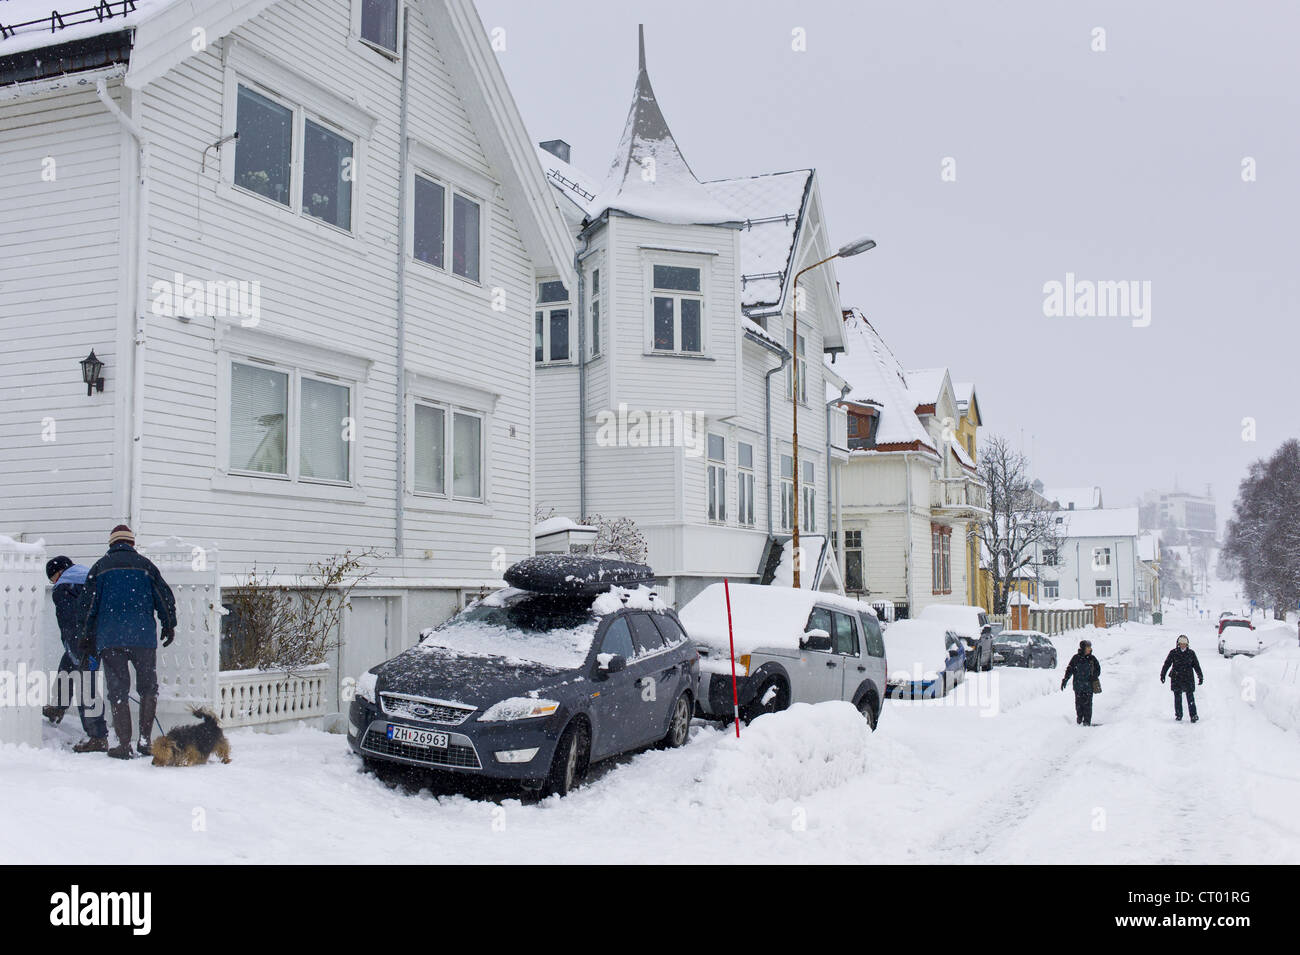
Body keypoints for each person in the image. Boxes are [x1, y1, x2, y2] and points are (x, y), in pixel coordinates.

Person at [81, 525, 177, 759]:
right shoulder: (146, 566)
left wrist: (86, 636)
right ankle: (144, 741)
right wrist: (168, 624)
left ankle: (125, 745)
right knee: (147, 688)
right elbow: (164, 597)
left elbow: (88, 608)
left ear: (111, 544)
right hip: (142, 638)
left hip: (110, 639)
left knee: (118, 691)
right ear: (132, 543)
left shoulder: (100, 568)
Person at [42, 555, 109, 752]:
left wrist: (77, 650)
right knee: (67, 665)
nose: (53, 582)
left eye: (52, 578)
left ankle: (98, 736)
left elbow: (69, 625)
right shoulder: (90, 578)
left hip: (83, 642)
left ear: (59, 573)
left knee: (85, 684)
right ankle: (59, 707)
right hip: (102, 636)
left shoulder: (63, 589)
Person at [1160, 634, 1203, 723]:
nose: (1183, 645)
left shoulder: (1191, 653)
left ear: (1187, 644)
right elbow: (1167, 664)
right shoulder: (1173, 653)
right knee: (1177, 697)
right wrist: (1163, 674)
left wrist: (1200, 676)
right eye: (1181, 643)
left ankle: (1193, 715)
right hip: (1176, 678)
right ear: (1178, 644)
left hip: (1188, 678)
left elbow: (1196, 666)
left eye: (1184, 644)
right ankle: (1179, 715)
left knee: (1190, 697)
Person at [1060, 639, 1101, 726]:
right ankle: (1079, 719)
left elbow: (1098, 669)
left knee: (1088, 705)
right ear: (1083, 648)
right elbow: (1069, 669)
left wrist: (1094, 676)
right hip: (1078, 686)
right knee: (1079, 704)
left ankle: (1086, 721)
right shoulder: (1076, 658)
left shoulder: (1092, 658)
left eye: (1090, 647)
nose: (1090, 649)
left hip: (1088, 686)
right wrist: (1065, 680)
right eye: (1088, 647)